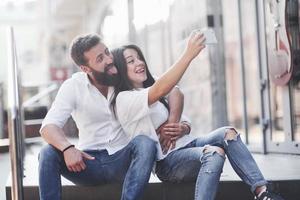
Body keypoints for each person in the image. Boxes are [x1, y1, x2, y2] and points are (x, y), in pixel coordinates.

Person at [110, 35, 285, 199]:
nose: (139, 62)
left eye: (139, 57)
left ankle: (262, 192)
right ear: (120, 69)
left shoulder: (152, 84)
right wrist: (188, 54)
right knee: (214, 153)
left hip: (189, 144)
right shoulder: (124, 99)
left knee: (228, 133)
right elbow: (163, 89)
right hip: (168, 161)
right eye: (131, 61)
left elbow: (176, 92)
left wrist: (177, 126)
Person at [38, 33, 184, 200]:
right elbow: (48, 127)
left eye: (107, 52)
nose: (108, 59)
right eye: (100, 58)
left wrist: (172, 123)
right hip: (87, 164)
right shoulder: (73, 86)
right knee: (47, 152)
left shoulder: (122, 75)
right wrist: (67, 148)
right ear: (86, 69)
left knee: (145, 142)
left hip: (122, 159)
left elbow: (173, 90)